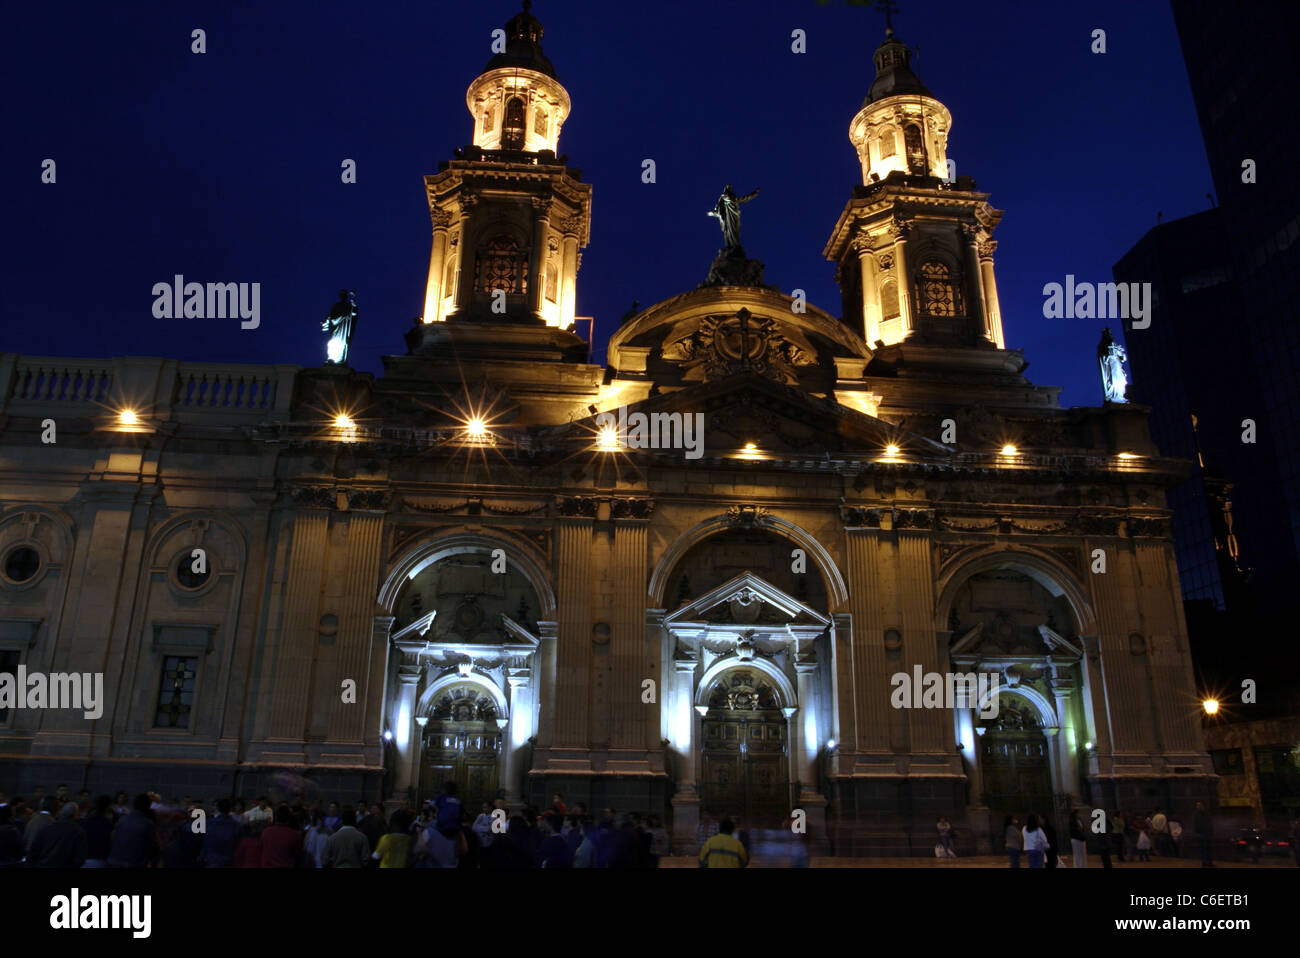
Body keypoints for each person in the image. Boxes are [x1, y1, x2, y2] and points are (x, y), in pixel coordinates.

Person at [29, 803, 87, 868]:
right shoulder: (77, 831)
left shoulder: (47, 829)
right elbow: (79, 858)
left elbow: (33, 852)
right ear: (75, 814)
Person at [108, 794, 158, 868]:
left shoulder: (122, 820)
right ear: (148, 806)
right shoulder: (147, 824)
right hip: (133, 863)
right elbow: (151, 848)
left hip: (114, 862)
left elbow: (112, 838)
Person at [200, 799, 243, 868]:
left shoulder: (209, 823)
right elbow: (238, 844)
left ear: (217, 808)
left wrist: (202, 856)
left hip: (211, 859)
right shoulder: (236, 825)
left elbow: (205, 842)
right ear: (230, 809)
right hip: (228, 860)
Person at [1193, 802, 1213, 867]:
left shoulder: (1206, 813)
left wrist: (1210, 831)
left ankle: (1209, 862)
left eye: (1199, 805)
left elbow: (1209, 823)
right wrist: (1197, 832)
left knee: (1208, 848)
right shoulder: (1196, 814)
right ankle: (1204, 861)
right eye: (1197, 806)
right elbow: (1196, 824)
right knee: (1202, 848)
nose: (1198, 807)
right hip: (1201, 833)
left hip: (1207, 832)